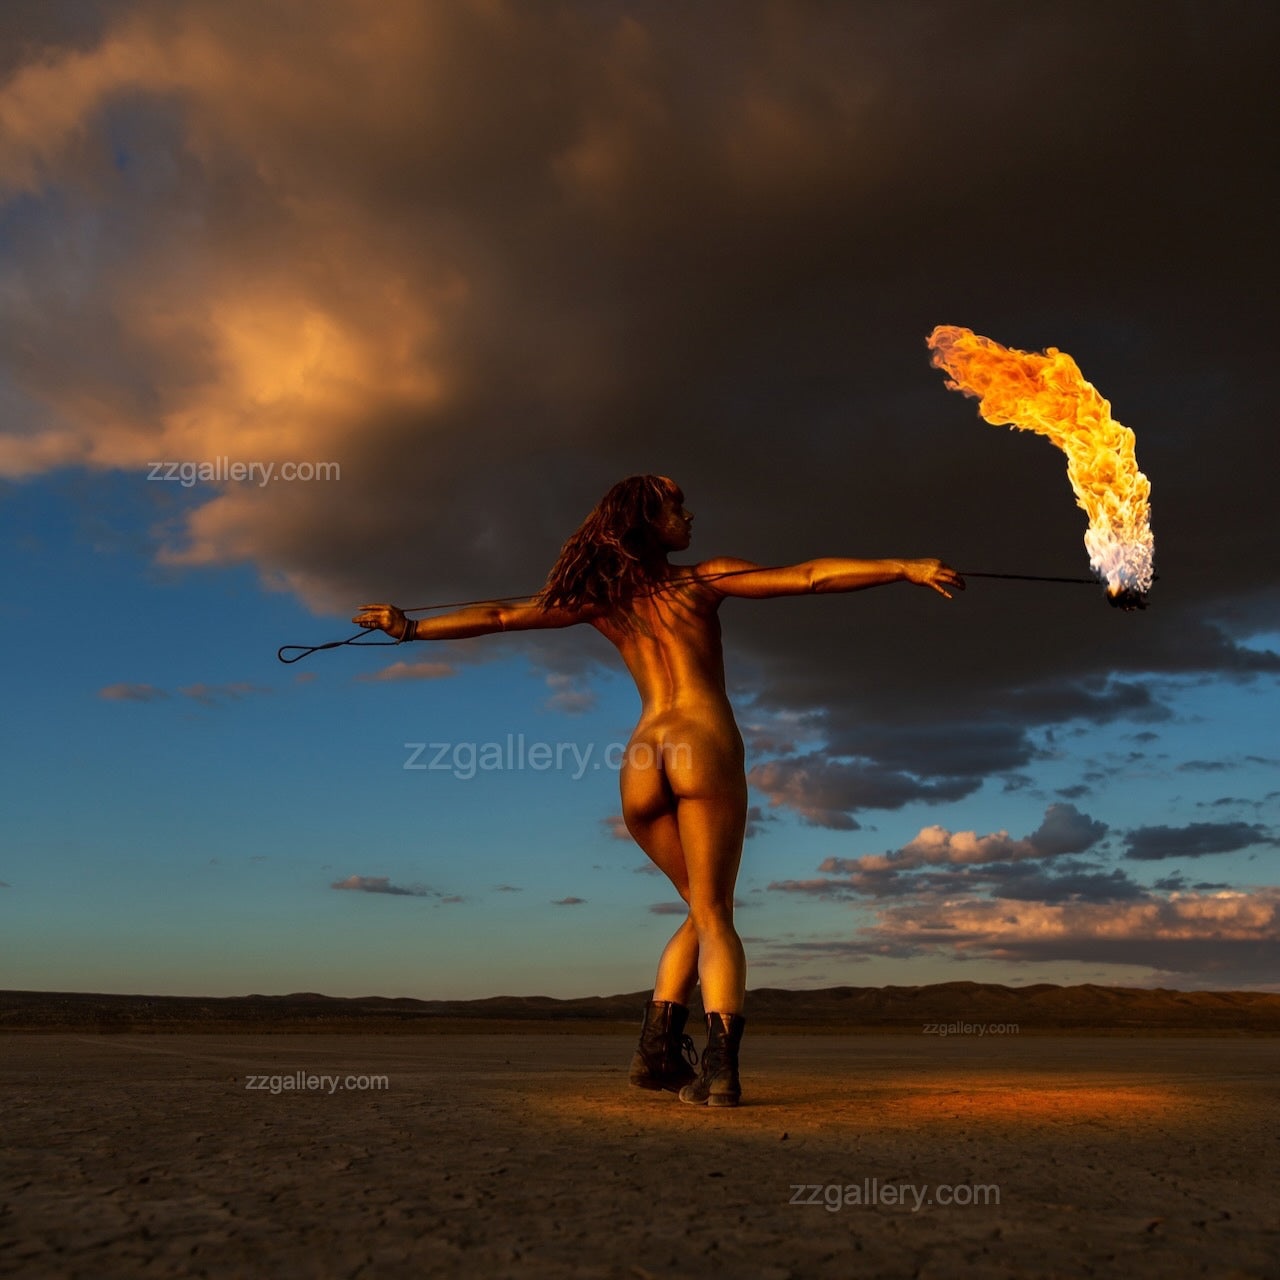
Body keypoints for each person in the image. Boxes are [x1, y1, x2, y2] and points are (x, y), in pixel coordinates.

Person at [353, 475, 964, 1107]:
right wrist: (902, 566)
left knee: (701, 909)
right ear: (648, 523)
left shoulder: (603, 602)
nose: (689, 515)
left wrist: (411, 631)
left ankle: (656, 1054)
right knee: (719, 916)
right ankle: (721, 1074)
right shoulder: (702, 581)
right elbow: (808, 578)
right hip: (701, 746)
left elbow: (503, 615)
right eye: (676, 507)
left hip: (644, 757)